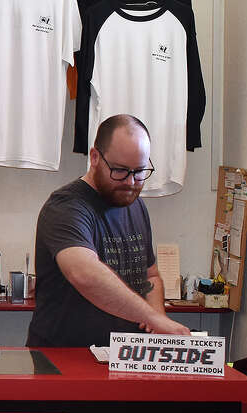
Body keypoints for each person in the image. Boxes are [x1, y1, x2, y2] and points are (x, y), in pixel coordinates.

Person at [26, 114, 190, 347]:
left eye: (140, 171)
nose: (131, 182)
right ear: (95, 157)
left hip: (124, 359)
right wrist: (150, 316)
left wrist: (158, 321)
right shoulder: (66, 207)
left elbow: (150, 276)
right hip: (65, 361)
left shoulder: (135, 205)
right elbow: (84, 273)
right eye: (120, 170)